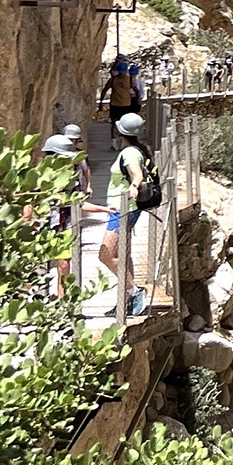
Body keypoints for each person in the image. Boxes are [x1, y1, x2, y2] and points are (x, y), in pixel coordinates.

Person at [99, 112, 148, 316]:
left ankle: (134, 291)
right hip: (124, 208)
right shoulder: (136, 150)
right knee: (122, 255)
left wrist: (134, 186)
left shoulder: (129, 153)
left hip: (123, 209)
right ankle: (127, 300)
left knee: (106, 254)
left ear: (121, 131)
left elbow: (137, 174)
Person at [32, 123, 89, 292]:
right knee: (39, 268)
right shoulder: (39, 175)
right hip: (43, 224)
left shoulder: (72, 174)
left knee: (64, 265)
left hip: (65, 223)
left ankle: (62, 304)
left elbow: (76, 199)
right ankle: (39, 302)